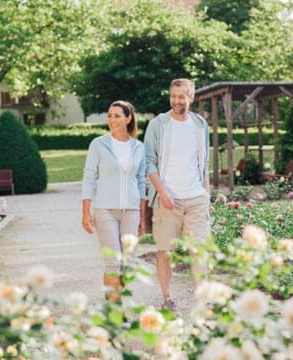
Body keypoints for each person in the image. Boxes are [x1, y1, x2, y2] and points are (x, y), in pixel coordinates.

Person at [144, 79, 210, 311]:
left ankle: (202, 300)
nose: (176, 101)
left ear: (191, 97)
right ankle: (167, 297)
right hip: (167, 200)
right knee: (165, 252)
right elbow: (149, 162)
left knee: (198, 251)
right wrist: (162, 193)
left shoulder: (200, 124)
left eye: (181, 96)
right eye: (173, 96)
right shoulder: (158, 125)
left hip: (195, 199)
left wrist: (206, 194)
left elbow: (204, 164)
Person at [82, 100, 146, 301]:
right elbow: (89, 177)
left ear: (128, 118)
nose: (112, 120)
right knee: (112, 262)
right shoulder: (98, 144)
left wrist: (143, 216)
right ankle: (115, 312)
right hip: (105, 210)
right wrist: (86, 212)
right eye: (110, 115)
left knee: (127, 263)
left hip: (131, 211)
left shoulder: (139, 147)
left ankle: (116, 303)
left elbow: (141, 182)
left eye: (117, 116)